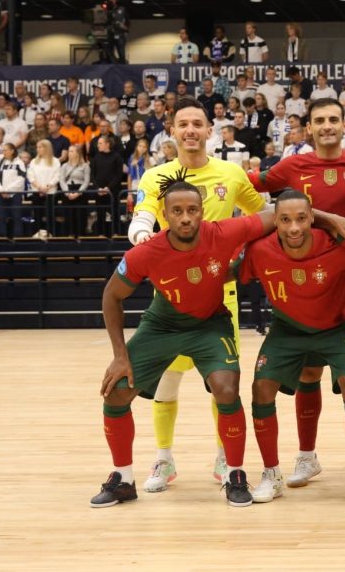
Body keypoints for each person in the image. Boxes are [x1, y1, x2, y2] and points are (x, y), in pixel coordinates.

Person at [91, 180, 286, 508]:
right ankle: (122, 478)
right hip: (163, 324)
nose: (185, 217)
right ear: (164, 216)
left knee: (226, 388)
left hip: (211, 323)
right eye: (177, 212)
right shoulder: (147, 251)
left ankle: (235, 473)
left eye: (192, 210)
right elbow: (111, 295)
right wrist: (120, 356)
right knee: (117, 391)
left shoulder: (222, 233)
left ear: (201, 212)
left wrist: (331, 220)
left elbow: (277, 215)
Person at [128, 97, 267, 491]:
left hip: (220, 295)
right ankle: (163, 459)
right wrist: (142, 239)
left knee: (220, 381)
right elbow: (141, 216)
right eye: (182, 123)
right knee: (168, 380)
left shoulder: (232, 173)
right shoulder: (155, 178)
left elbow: (262, 219)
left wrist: (245, 263)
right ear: (171, 131)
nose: (190, 130)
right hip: (171, 296)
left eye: (197, 123)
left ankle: (225, 459)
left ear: (210, 130)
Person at [251, 98, 345, 486]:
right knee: (308, 370)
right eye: (319, 121)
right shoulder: (292, 166)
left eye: (333, 120)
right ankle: (307, 457)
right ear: (307, 128)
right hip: (300, 277)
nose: (327, 126)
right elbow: (252, 188)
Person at [238, 190, 345, 503]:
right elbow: (225, 272)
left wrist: (328, 218)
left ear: (312, 218)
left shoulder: (336, 243)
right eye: (284, 220)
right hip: (288, 329)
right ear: (275, 223)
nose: (294, 227)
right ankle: (272, 474)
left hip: (337, 326)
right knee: (261, 388)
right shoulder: (259, 250)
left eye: (301, 218)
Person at [0, 143, 26, 237]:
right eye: (2, 150)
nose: (3, 152)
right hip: (1, 194)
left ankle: (18, 238)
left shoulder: (19, 162)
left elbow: (21, 179)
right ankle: (2, 238)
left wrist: (8, 190)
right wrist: (1, 190)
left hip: (15, 194)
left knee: (17, 217)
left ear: (12, 151)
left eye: (5, 150)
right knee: (1, 217)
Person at [59, 144, 90, 237]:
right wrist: (67, 192)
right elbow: (62, 180)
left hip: (80, 191)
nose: (69, 153)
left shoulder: (85, 166)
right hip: (68, 191)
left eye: (72, 151)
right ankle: (69, 235)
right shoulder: (64, 166)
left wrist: (78, 193)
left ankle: (80, 235)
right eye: (69, 151)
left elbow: (86, 181)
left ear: (78, 153)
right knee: (69, 214)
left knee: (80, 215)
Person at [106, 0, 129, 64]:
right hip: (109, 32)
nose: (111, 0)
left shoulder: (122, 9)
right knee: (109, 50)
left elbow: (127, 21)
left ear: (116, 0)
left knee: (121, 49)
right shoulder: (106, 10)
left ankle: (122, 64)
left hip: (120, 32)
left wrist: (126, 27)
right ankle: (111, 63)